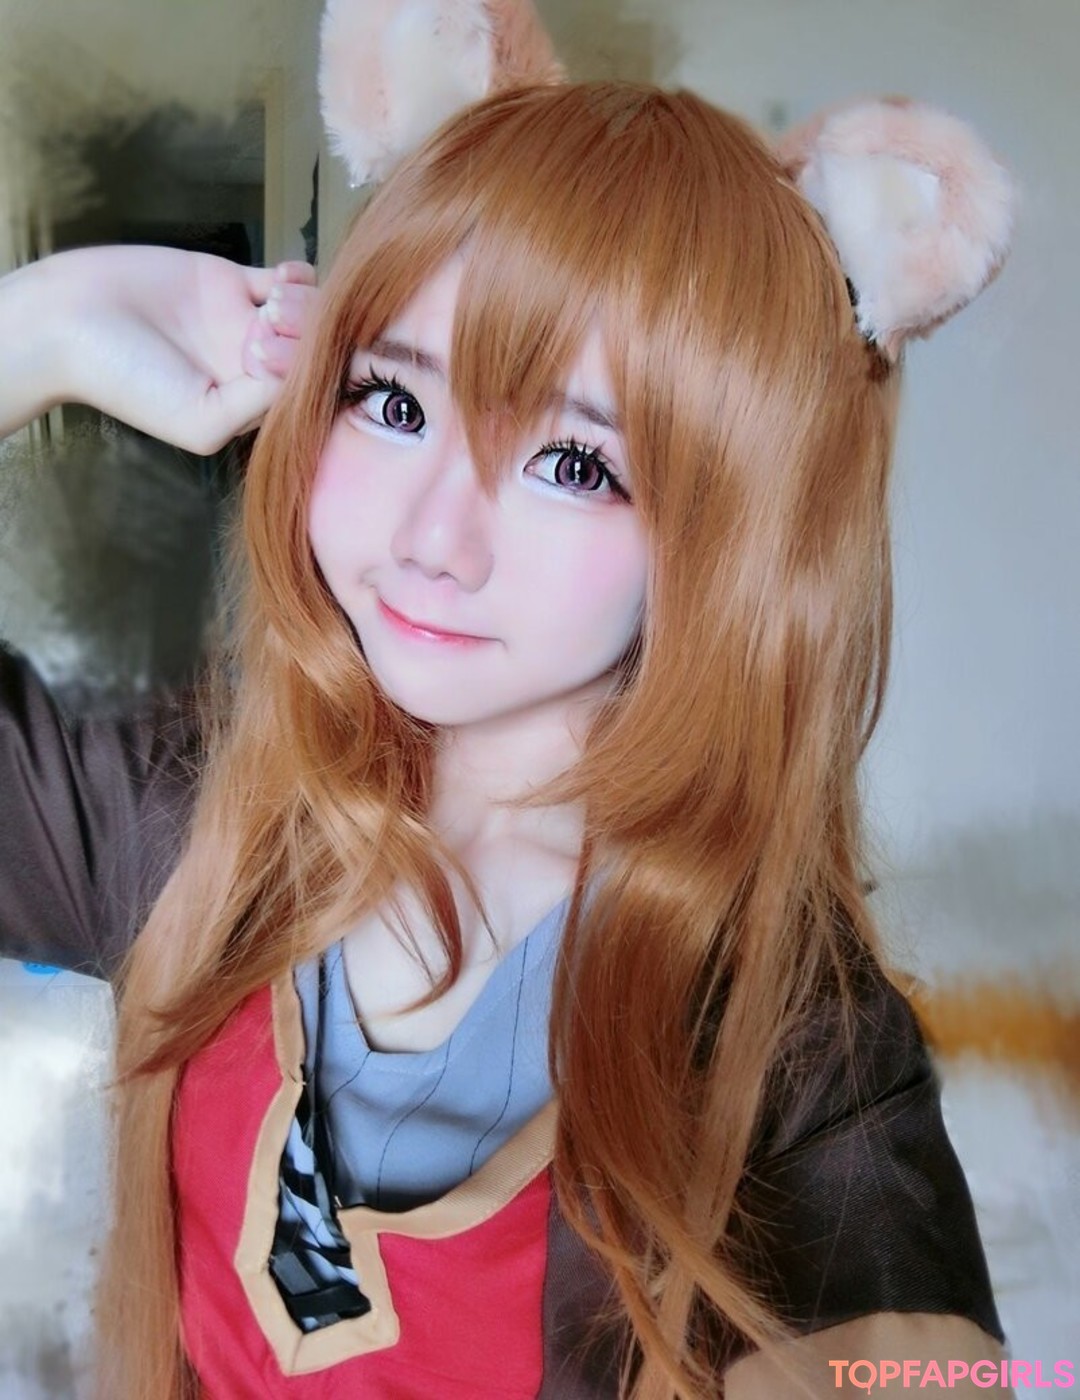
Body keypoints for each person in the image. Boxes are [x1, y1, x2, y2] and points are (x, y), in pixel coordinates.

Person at [0, 80, 1013, 1399]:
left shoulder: (785, 1038)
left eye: (575, 465)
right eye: (394, 402)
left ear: (723, 533)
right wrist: (42, 327)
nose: (435, 538)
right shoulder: (183, 807)